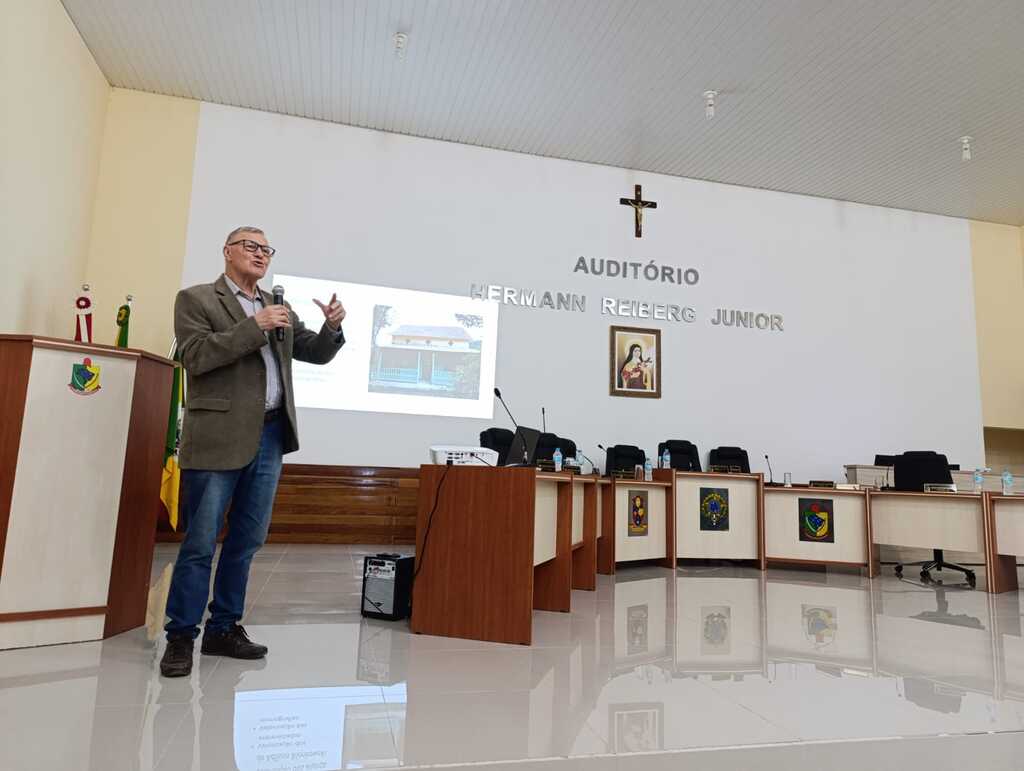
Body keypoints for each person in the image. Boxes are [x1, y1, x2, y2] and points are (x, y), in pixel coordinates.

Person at [160, 226, 346, 678]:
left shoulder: (275, 307)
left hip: (269, 438)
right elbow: (197, 356)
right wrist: (253, 328)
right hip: (217, 436)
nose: (261, 254)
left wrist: (332, 327)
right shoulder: (197, 298)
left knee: (246, 542)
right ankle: (181, 636)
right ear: (227, 251)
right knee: (201, 542)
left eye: (267, 249)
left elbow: (314, 353)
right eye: (251, 246)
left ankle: (224, 628)